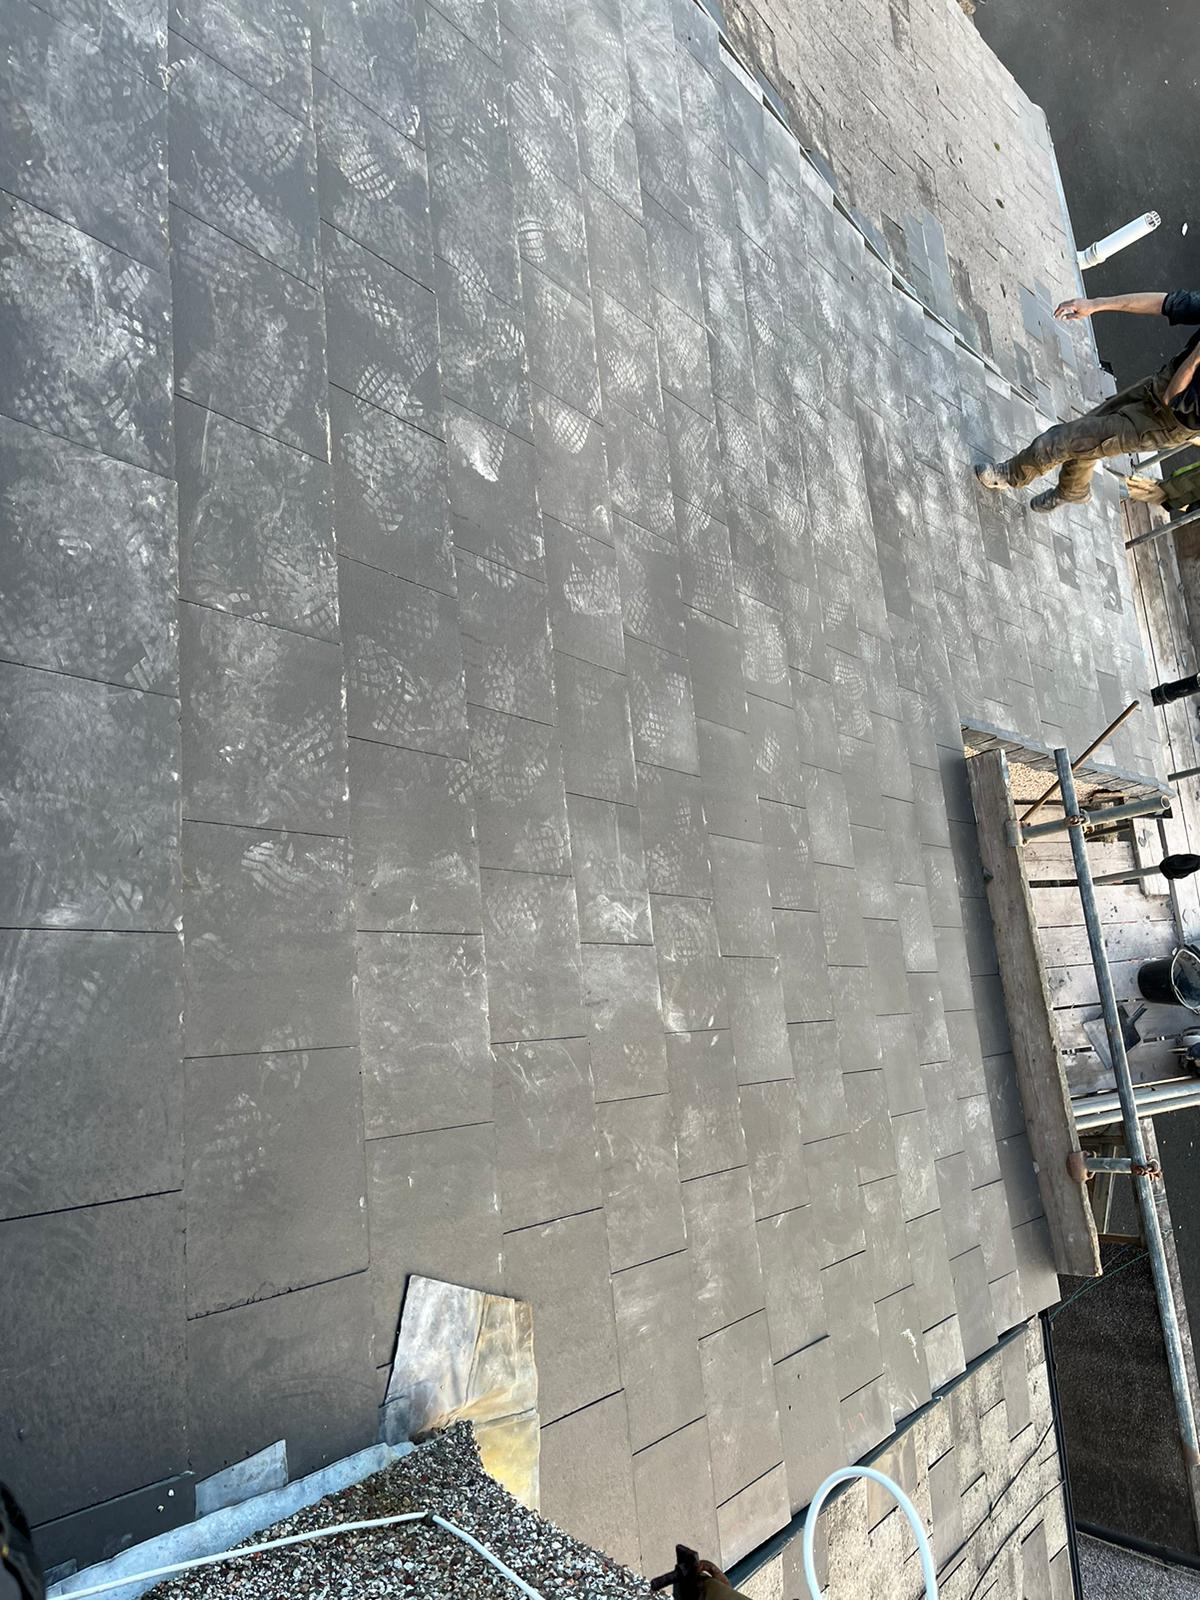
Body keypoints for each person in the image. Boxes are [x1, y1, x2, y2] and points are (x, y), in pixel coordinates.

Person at [975, 291, 1200, 512]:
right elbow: (1166, 303)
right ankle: (1073, 490)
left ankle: (1010, 474)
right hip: (1157, 385)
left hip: (1165, 422)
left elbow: (1173, 398)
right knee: (1086, 437)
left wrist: (1196, 357)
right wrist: (1095, 304)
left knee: (1063, 440)